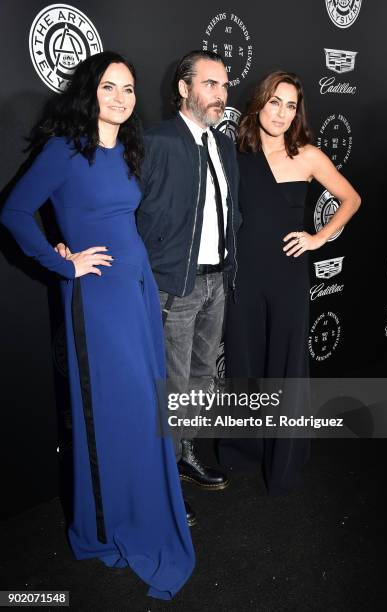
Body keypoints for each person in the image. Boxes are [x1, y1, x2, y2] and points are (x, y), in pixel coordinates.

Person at [1, 51, 194, 601]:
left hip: (135, 292)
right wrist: (65, 262)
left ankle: (142, 504)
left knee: (140, 408)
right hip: (98, 300)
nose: (121, 98)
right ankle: (104, 526)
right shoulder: (65, 149)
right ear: (90, 92)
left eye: (129, 89)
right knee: (110, 412)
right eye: (110, 87)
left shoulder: (128, 148)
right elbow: (14, 211)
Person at [217, 71, 361, 494]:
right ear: (259, 102)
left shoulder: (309, 156)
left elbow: (352, 198)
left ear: (298, 113)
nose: (281, 113)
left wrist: (317, 238)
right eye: (274, 102)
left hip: (287, 275)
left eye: (290, 105)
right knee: (244, 363)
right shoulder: (235, 153)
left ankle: (284, 459)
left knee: (285, 366)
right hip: (244, 273)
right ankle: (243, 452)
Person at [137, 50, 241, 523]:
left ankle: (183, 454)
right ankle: (160, 483)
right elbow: (125, 208)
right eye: (210, 84)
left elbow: (229, 211)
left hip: (216, 281)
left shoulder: (224, 146)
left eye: (224, 86)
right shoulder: (154, 140)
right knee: (172, 385)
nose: (220, 94)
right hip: (174, 287)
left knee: (201, 379)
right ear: (184, 88)